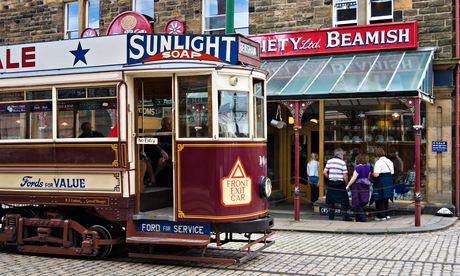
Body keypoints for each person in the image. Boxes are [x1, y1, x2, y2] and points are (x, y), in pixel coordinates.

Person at [323, 148, 351, 221]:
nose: (343, 156)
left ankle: (331, 217)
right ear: (340, 155)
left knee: (331, 201)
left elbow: (325, 172)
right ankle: (345, 217)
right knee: (344, 202)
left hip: (331, 184)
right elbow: (345, 175)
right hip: (340, 184)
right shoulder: (342, 163)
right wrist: (347, 184)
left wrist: (330, 177)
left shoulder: (329, 161)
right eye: (343, 155)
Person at [346, 154, 372, 222]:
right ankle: (358, 218)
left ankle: (362, 219)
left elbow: (353, 178)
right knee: (362, 202)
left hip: (357, 187)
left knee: (356, 203)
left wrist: (348, 185)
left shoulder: (357, 167)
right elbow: (368, 177)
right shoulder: (369, 167)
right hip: (365, 186)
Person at [372, 147, 394, 221]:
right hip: (389, 180)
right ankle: (386, 214)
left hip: (381, 181)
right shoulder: (390, 161)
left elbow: (376, 175)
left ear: (377, 154)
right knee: (386, 198)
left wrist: (371, 174)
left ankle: (381, 216)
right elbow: (392, 172)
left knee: (379, 198)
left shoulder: (378, 162)